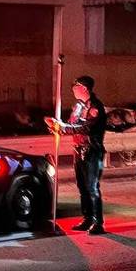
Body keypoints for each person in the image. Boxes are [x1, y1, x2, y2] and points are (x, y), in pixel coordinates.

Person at [45, 75, 108, 235]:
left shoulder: (96, 107)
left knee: (92, 187)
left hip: (92, 151)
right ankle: (87, 218)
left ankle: (98, 222)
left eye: (76, 86)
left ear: (84, 88)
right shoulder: (79, 106)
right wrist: (58, 127)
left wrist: (64, 127)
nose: (73, 88)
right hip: (78, 150)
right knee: (82, 187)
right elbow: (73, 124)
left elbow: (86, 128)